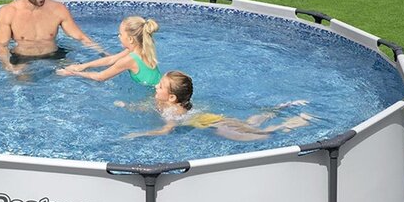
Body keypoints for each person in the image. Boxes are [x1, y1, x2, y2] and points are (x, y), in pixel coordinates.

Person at [125, 71, 313, 141]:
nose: (156, 87)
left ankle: (291, 123)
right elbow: (147, 107)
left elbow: (166, 130)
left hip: (214, 124)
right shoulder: (166, 103)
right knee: (249, 124)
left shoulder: (172, 111)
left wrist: (139, 134)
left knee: (257, 136)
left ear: (172, 97)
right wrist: (128, 106)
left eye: (160, 87)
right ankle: (281, 108)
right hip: (210, 119)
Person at [0, 0, 99, 71]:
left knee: (79, 73)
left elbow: (81, 37)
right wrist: (10, 67)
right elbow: (2, 47)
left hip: (54, 55)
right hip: (22, 58)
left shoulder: (58, 9)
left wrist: (104, 54)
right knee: (22, 79)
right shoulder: (8, 12)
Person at [56, 16, 161, 86]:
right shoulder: (142, 48)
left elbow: (100, 77)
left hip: (153, 96)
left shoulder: (129, 60)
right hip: (161, 87)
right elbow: (111, 59)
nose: (119, 36)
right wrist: (83, 66)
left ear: (130, 39)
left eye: (120, 34)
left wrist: (72, 73)